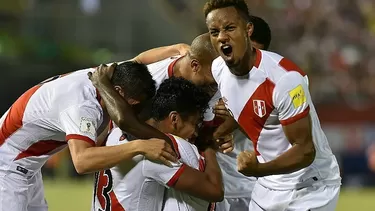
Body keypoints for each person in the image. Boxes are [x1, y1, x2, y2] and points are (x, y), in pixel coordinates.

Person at [203, 0, 341, 210]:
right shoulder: (219, 69)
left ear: (248, 29)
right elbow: (247, 107)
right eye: (214, 32)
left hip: (309, 186)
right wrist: (224, 130)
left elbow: (304, 151)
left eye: (230, 28)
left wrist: (258, 169)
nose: (222, 36)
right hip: (268, 185)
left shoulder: (285, 79)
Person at [0, 61, 179, 211]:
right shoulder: (83, 106)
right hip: (6, 166)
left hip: (26, 165)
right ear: (118, 91)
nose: (128, 112)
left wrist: (176, 48)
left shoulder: (105, 74)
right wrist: (139, 146)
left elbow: (142, 58)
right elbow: (82, 161)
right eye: (131, 104)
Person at [92, 78, 224, 211]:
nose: (196, 132)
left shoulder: (113, 133)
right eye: (194, 124)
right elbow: (215, 191)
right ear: (174, 119)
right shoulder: (156, 150)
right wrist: (209, 148)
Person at [212, 16, 272, 210]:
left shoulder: (270, 86)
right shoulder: (211, 75)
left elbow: (275, 140)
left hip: (250, 188)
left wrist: (238, 118)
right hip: (212, 187)